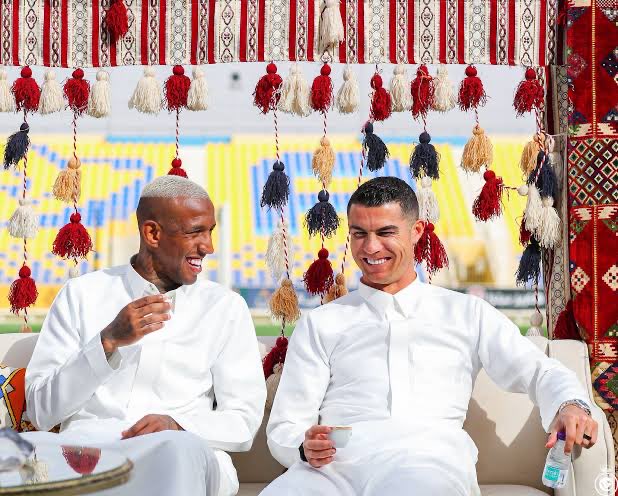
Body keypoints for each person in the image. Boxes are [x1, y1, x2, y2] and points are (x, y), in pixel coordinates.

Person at [262, 176, 597, 496]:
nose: (371, 247)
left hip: (427, 461)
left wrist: (570, 405)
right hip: (331, 469)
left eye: (386, 232)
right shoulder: (321, 323)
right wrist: (303, 448)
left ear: (416, 231)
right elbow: (286, 426)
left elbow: (538, 370)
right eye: (359, 234)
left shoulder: (465, 313)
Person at [24, 175, 266, 496]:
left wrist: (177, 425)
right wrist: (107, 342)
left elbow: (243, 420)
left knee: (176, 453)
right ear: (152, 233)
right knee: (17, 450)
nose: (208, 247)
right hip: (92, 451)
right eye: (195, 232)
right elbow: (41, 411)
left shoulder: (225, 307)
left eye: (210, 231)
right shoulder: (81, 294)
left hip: (182, 451)